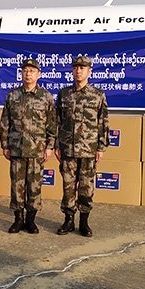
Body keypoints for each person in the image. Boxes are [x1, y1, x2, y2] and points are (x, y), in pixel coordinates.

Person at [0, 59, 56, 234]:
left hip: (37, 149)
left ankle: (31, 220)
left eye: (32, 71)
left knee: (34, 186)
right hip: (16, 148)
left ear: (38, 74)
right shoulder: (13, 95)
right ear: (21, 73)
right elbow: (5, 122)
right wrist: (5, 145)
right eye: (25, 70)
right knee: (17, 186)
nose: (28, 74)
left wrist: (50, 146)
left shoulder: (46, 96)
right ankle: (18, 219)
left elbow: (52, 124)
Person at [55, 56, 109, 237]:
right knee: (68, 186)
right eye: (76, 68)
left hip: (88, 150)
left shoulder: (97, 95)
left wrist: (101, 147)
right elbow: (58, 122)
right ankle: (68, 221)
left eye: (83, 68)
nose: (79, 71)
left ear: (89, 71)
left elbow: (103, 123)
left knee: (86, 187)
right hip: (67, 149)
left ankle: (84, 222)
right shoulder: (64, 94)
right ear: (72, 71)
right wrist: (56, 144)